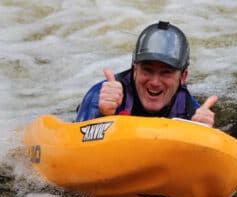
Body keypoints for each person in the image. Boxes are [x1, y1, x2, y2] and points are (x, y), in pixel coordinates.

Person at [75, 21, 217, 127]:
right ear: (135, 70)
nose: (155, 82)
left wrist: (205, 133)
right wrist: (102, 117)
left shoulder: (191, 113)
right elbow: (76, 153)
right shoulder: (100, 97)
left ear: (183, 77)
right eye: (147, 70)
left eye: (166, 73)